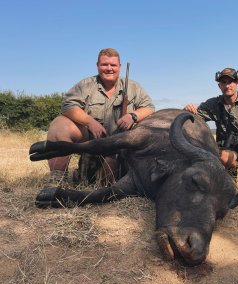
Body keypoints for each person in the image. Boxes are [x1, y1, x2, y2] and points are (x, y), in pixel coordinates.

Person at [44, 48, 155, 188]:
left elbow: (149, 107)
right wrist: (90, 122)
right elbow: (68, 106)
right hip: (92, 143)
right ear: (97, 65)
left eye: (113, 65)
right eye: (104, 65)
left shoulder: (134, 87)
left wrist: (133, 116)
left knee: (107, 182)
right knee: (60, 124)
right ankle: (56, 180)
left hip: (121, 146)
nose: (109, 68)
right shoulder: (85, 85)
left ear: (119, 67)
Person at [184, 67, 238, 190]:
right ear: (219, 85)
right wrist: (187, 111)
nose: (227, 85)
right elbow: (193, 118)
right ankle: (230, 178)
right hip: (228, 150)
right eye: (223, 82)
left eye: (230, 82)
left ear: (237, 83)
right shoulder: (213, 103)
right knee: (223, 157)